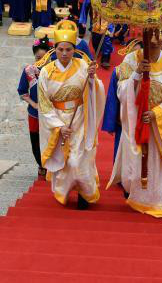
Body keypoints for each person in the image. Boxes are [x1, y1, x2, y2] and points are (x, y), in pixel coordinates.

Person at [110, 27, 162, 216]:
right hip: (137, 119)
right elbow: (121, 90)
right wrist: (136, 75)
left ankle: (161, 198)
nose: (155, 39)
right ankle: (136, 195)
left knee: (159, 163)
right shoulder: (131, 59)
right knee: (136, 160)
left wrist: (158, 112)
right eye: (150, 33)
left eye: (159, 33)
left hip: (160, 123)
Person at [37, 21, 104, 208]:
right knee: (65, 161)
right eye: (60, 49)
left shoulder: (83, 65)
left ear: (74, 49)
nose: (64, 53)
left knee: (78, 159)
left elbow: (95, 90)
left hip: (80, 116)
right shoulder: (46, 72)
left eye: (68, 49)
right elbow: (44, 104)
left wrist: (91, 78)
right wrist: (59, 126)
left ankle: (85, 193)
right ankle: (64, 191)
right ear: (55, 49)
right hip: (58, 118)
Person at [19, 37, 51, 177]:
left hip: (52, 113)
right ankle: (41, 164)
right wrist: (34, 104)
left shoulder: (54, 71)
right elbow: (22, 91)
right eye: (38, 57)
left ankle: (53, 165)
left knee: (51, 139)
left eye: (44, 58)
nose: (41, 61)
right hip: (34, 114)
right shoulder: (28, 71)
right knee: (36, 140)